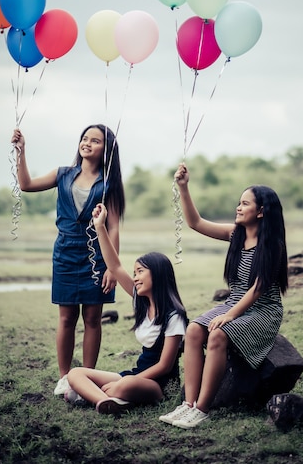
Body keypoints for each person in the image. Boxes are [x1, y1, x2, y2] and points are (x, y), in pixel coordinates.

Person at [159, 162, 288, 429]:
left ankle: (202, 409)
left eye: (245, 204)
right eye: (238, 203)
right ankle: (187, 404)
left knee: (218, 333)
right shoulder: (235, 235)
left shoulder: (272, 245)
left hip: (263, 309)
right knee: (194, 330)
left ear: (261, 212)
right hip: (235, 302)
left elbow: (259, 287)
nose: (238, 208)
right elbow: (195, 223)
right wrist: (183, 187)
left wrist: (229, 316)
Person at [11, 124, 125, 396]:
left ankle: (87, 377)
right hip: (64, 252)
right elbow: (26, 185)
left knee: (93, 318)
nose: (87, 143)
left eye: (95, 141)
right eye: (84, 139)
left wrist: (113, 267)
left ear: (105, 149)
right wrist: (21, 151)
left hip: (97, 255)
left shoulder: (110, 183)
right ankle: (65, 378)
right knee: (66, 318)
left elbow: (114, 228)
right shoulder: (63, 174)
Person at [66, 202, 188, 414]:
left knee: (124, 386)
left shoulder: (173, 316)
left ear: (157, 275)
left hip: (158, 384)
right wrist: (100, 226)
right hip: (136, 374)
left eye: (140, 271)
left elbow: (165, 366)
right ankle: (105, 400)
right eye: (135, 273)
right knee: (75, 373)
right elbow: (114, 266)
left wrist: (128, 381)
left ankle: (105, 395)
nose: (135, 278)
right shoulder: (141, 302)